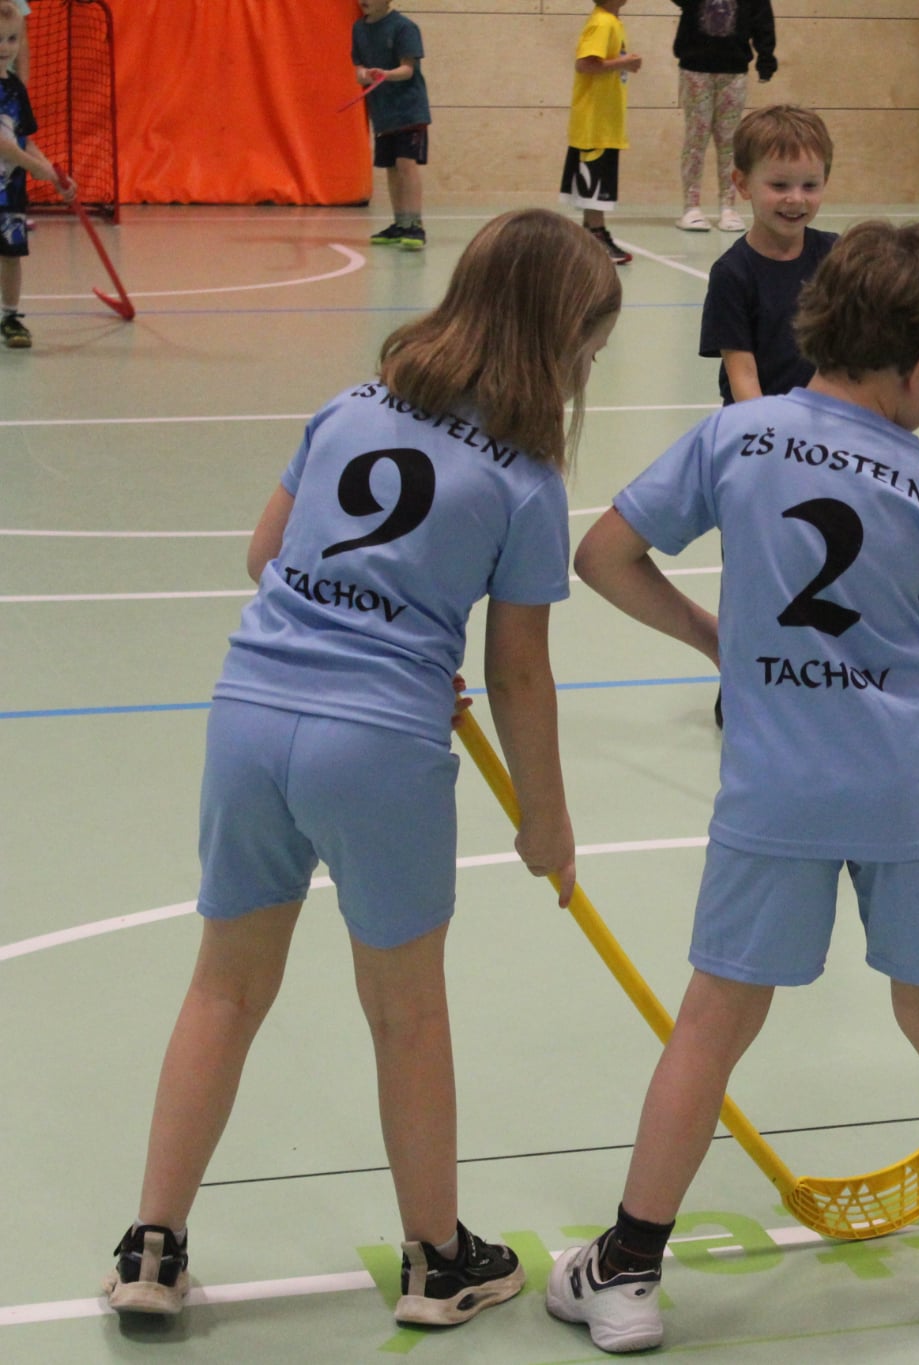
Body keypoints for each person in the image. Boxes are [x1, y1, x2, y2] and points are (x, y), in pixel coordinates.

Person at [100, 210, 613, 1328]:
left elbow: (262, 555)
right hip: (377, 747)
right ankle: (439, 1260)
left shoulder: (348, 408)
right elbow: (517, 673)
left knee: (223, 988)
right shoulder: (526, 481)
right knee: (406, 1013)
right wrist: (547, 820)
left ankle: (152, 1246)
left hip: (249, 715)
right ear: (557, 342)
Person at [549, 222, 919, 1354]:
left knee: (713, 1023)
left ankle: (628, 1271)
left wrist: (712, 638)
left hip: (775, 787)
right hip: (909, 788)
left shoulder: (736, 435)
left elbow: (605, 555)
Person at [699, 104, 836, 404]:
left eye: (810, 185)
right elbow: (743, 377)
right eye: (779, 185)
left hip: (821, 421)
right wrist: (769, 428)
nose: (796, 199)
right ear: (743, 184)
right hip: (758, 423)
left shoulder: (837, 258)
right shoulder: (732, 274)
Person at [0, 0, 73, 352]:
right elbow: (4, 145)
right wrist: (40, 170)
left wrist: (56, 175)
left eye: (12, 39)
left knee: (11, 253)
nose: (5, 47)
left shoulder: (16, 88)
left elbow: (23, 140)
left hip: (9, 190)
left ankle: (10, 316)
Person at [669, 0, 776, 233]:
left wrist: (766, 57)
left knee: (730, 142)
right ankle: (691, 206)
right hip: (695, 66)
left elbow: (762, 17)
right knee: (696, 139)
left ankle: (728, 206)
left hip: (733, 68)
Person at [565, 0, 643, 265]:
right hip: (595, 122)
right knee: (595, 185)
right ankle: (596, 234)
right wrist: (624, 62)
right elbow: (585, 63)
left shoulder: (611, 21)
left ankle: (591, 233)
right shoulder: (602, 23)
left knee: (597, 184)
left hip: (605, 122)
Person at [352, 0, 432, 250]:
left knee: (406, 164)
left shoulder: (404, 27)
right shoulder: (358, 28)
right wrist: (363, 74)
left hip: (409, 110)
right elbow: (358, 68)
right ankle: (400, 224)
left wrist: (385, 74)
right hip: (382, 112)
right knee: (391, 168)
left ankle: (415, 225)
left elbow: (408, 69)